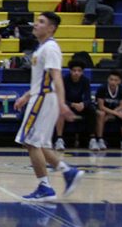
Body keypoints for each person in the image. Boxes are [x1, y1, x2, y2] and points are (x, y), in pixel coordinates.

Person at [13, 11, 84, 201]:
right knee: (41, 144)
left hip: (44, 99)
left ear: (51, 28)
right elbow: (41, 81)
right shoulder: (41, 48)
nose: (36, 24)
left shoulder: (50, 48)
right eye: (37, 21)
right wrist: (26, 97)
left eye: (41, 22)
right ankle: (68, 171)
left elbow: (56, 77)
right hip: (40, 96)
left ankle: (45, 187)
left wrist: (62, 104)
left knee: (30, 141)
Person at [54, 61, 95, 151]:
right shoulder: (64, 80)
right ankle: (59, 139)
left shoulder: (85, 81)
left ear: (82, 72)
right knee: (59, 110)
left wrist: (83, 104)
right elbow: (61, 98)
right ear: (70, 71)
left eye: (79, 71)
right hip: (67, 104)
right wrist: (72, 104)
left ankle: (92, 139)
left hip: (80, 106)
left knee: (92, 110)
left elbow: (88, 98)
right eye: (74, 70)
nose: (76, 73)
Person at [94, 71, 122, 151]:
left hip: (114, 111)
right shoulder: (102, 88)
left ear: (119, 81)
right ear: (108, 80)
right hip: (103, 110)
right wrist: (115, 113)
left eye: (115, 80)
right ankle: (100, 139)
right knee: (101, 114)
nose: (113, 82)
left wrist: (113, 114)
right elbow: (101, 106)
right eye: (111, 79)